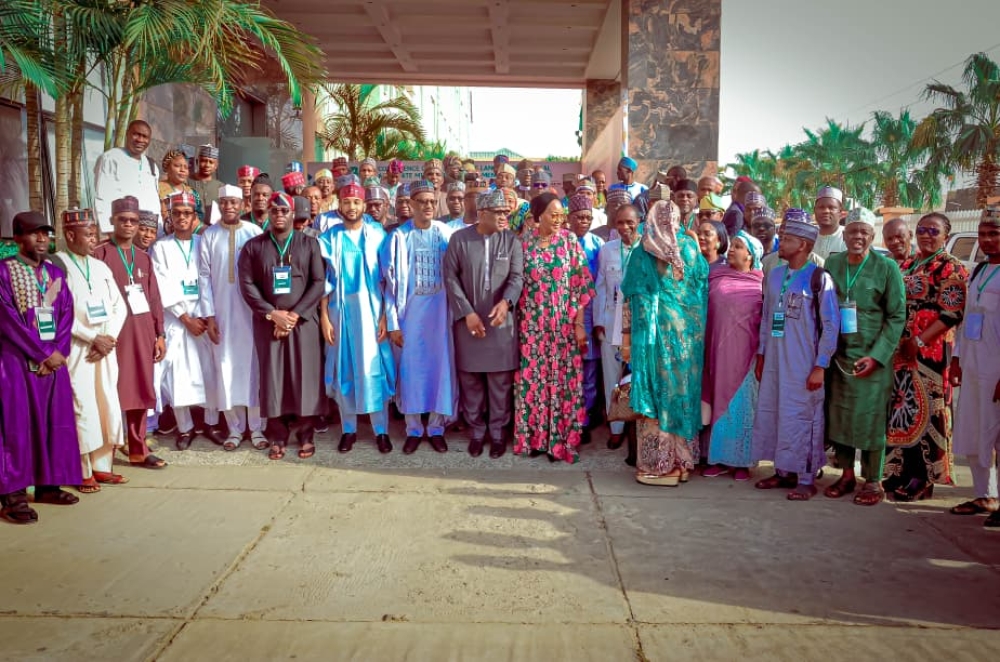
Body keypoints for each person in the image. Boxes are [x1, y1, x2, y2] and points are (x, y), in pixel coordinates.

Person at [0, 211, 84, 522]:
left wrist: (58, 352)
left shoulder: (54, 274)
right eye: (34, 234)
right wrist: (41, 353)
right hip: (16, 364)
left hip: (52, 365)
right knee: (16, 426)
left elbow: (66, 314)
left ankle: (49, 485)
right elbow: (7, 320)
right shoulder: (4, 272)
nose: (41, 239)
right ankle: (14, 495)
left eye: (45, 234)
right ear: (18, 238)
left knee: (54, 421)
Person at [620, 200, 708, 486]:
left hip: (653, 343)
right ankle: (682, 463)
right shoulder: (690, 249)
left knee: (656, 400)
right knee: (680, 398)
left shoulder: (643, 251)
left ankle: (661, 467)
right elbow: (701, 294)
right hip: (686, 344)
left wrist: (625, 340)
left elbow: (630, 302)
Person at [823, 207, 907, 506]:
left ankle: (873, 480)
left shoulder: (887, 268)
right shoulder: (833, 262)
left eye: (864, 232)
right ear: (844, 235)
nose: (857, 236)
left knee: (870, 419)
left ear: (872, 236)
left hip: (873, 358)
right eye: (852, 231)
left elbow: (897, 316)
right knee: (840, 415)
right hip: (839, 354)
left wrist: (877, 355)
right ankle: (846, 473)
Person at [752, 213, 839, 500]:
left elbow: (831, 326)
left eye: (787, 239)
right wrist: (762, 355)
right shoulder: (774, 274)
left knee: (803, 416)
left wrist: (820, 366)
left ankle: (806, 477)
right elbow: (766, 318)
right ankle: (782, 471)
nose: (782, 243)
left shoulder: (818, 278)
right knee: (777, 412)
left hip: (804, 362)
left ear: (802, 245)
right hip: (776, 359)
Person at [885, 212, 968, 501]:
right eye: (921, 230)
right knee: (901, 410)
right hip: (902, 351)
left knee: (929, 413)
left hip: (930, 353)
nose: (926, 235)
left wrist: (919, 340)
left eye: (933, 231)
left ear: (946, 235)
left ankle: (923, 478)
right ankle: (899, 471)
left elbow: (951, 313)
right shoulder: (908, 263)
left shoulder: (951, 268)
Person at [238, 192, 327, 460]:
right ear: (268, 213)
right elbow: (247, 284)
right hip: (268, 324)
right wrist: (272, 314)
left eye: (284, 210)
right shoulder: (254, 247)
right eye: (274, 210)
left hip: (303, 323)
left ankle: (305, 432)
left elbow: (318, 282)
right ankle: (276, 433)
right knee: (273, 378)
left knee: (305, 377)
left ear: (292, 214)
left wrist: (294, 315)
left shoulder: (309, 244)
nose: (279, 214)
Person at [513, 192, 594, 463]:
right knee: (534, 382)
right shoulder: (524, 244)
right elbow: (515, 284)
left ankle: (560, 443)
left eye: (561, 214)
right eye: (553, 214)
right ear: (538, 217)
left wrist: (580, 324)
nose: (559, 219)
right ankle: (536, 440)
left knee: (562, 383)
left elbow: (581, 284)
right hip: (532, 328)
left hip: (564, 327)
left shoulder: (570, 241)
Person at [443, 189, 524, 458]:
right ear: (482, 214)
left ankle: (498, 433)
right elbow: (450, 278)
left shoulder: (511, 240)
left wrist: (507, 303)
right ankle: (477, 432)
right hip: (469, 323)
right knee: (471, 381)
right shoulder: (460, 240)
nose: (504, 217)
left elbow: (516, 277)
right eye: (498, 213)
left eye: (505, 212)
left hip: (501, 322)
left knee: (500, 382)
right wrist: (466, 312)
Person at [55, 209, 129, 492]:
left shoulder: (100, 266)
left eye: (96, 233)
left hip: (105, 348)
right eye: (88, 234)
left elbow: (118, 305)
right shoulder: (58, 264)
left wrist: (107, 337)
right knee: (82, 405)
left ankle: (102, 467)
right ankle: (82, 469)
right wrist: (90, 337)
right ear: (70, 235)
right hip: (78, 349)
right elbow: (55, 309)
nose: (94, 239)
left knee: (106, 402)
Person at [382, 180, 457, 454]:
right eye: (421, 201)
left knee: (441, 371)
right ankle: (413, 429)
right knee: (411, 372)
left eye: (431, 201)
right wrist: (393, 323)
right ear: (410, 205)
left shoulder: (446, 233)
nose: (427, 206)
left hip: (440, 316)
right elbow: (388, 286)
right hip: (409, 318)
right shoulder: (399, 237)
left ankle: (437, 428)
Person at [319, 182, 395, 455]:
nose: (351, 207)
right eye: (346, 201)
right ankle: (348, 429)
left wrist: (386, 316)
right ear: (339, 205)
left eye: (356, 202)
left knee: (373, 370)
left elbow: (388, 280)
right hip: (342, 316)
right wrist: (325, 318)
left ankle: (381, 430)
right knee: (346, 369)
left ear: (364, 206)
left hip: (373, 313)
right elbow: (323, 282)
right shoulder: (330, 238)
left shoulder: (377, 234)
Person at [93, 196, 168, 469]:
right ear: (112, 221)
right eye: (123, 220)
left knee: (139, 389)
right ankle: (106, 454)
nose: (128, 225)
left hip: (142, 333)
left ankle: (138, 449)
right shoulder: (100, 255)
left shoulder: (144, 259)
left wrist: (160, 335)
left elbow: (154, 299)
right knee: (110, 391)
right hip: (114, 336)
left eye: (133, 221)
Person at [196, 184, 267, 451]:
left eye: (233, 203)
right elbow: (203, 277)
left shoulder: (254, 233)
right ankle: (234, 429)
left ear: (243, 205)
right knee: (225, 368)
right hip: (222, 315)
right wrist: (210, 316)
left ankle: (257, 428)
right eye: (224, 202)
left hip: (251, 316)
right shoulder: (209, 235)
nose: (228, 207)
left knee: (253, 369)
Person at [150, 191, 218, 450]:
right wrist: (185, 317)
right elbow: (161, 284)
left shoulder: (205, 241)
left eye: (187, 213)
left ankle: (210, 424)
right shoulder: (161, 247)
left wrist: (204, 315)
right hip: (178, 321)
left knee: (209, 373)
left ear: (194, 217)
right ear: (170, 216)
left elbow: (212, 279)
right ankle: (185, 427)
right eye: (176, 213)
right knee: (178, 376)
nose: (181, 218)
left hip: (205, 320)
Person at [951, 205, 1000, 527]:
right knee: (972, 429)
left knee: (997, 436)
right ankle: (984, 494)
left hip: (996, 368)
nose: (987, 240)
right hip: (972, 363)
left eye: (994, 234)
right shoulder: (980, 272)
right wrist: (956, 359)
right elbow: (967, 318)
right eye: (983, 234)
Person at [701, 231, 764, 481]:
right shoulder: (715, 275)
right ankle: (717, 459)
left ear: (750, 255)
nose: (731, 250)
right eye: (732, 245)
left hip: (746, 358)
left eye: (738, 247)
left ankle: (741, 462)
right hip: (716, 354)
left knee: (742, 408)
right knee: (717, 404)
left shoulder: (760, 283)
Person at [595, 203, 641, 449]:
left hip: (638, 327)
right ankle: (616, 428)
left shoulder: (647, 249)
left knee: (636, 377)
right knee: (611, 378)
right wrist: (598, 322)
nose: (624, 227)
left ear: (639, 222)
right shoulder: (607, 250)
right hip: (612, 323)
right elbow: (600, 287)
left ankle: (637, 427)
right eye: (620, 222)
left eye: (629, 222)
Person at [568, 193, 605, 441]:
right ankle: (568, 416)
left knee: (589, 369)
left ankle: (585, 418)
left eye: (588, 217)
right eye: (580, 217)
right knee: (569, 369)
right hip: (565, 313)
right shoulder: (562, 242)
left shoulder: (598, 245)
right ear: (569, 218)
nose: (584, 221)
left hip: (591, 312)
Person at [94, 119, 161, 234]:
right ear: (127, 134)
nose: (140, 140)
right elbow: (102, 198)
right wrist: (109, 232)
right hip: (122, 232)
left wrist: (159, 231)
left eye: (145, 137)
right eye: (136, 134)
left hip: (148, 234)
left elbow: (154, 201)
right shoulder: (111, 158)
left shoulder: (151, 165)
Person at [761, 210, 825, 278]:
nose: (785, 231)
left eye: (794, 229)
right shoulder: (767, 262)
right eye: (784, 227)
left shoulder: (818, 263)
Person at [158, 149, 203, 230]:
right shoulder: (158, 188)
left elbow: (199, 216)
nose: (182, 170)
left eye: (186, 167)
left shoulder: (193, 192)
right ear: (167, 167)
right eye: (177, 166)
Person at [188, 144, 222, 226]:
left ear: (216, 166)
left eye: (211, 162)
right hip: (191, 227)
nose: (207, 165)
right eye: (203, 161)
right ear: (197, 162)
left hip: (213, 229)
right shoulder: (187, 181)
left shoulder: (220, 186)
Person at [813, 186, 847, 260]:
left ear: (840, 212)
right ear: (814, 210)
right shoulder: (807, 237)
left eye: (831, 207)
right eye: (821, 207)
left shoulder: (849, 236)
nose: (826, 211)